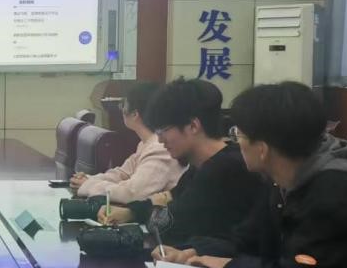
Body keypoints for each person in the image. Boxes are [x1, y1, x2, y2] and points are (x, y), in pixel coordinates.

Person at [155, 82, 347, 268]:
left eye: (239, 135)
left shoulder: (336, 193)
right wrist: (193, 252)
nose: (236, 143)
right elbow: (244, 240)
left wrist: (230, 265)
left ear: (262, 149)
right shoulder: (281, 182)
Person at [103, 78, 262, 248]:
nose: (160, 140)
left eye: (162, 130)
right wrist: (131, 211)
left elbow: (168, 225)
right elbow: (172, 197)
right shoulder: (201, 165)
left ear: (193, 126)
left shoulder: (225, 169)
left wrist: (146, 210)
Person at [69, 82, 181, 205]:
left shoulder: (160, 148)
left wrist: (89, 186)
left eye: (123, 105)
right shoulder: (146, 144)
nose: (121, 110)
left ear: (134, 114)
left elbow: (133, 193)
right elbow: (123, 173)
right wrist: (89, 179)